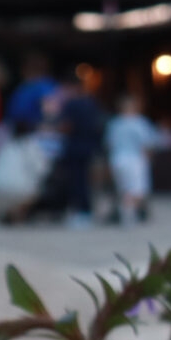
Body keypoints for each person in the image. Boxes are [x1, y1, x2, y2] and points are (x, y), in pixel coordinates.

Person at [54, 80, 106, 229]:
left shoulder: (72, 105)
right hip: (89, 147)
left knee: (76, 181)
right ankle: (85, 210)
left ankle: (81, 212)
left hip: (74, 147)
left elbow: (66, 126)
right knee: (85, 180)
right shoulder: (92, 103)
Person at [104, 94, 161, 225]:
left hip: (117, 160)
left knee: (124, 189)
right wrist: (148, 160)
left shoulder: (114, 124)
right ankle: (127, 213)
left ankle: (127, 212)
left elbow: (109, 144)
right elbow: (148, 144)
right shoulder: (140, 123)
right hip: (134, 160)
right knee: (137, 190)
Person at [4, 54, 58, 137]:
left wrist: (46, 127)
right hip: (16, 131)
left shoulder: (44, 85)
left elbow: (51, 110)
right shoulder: (24, 85)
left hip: (34, 134)